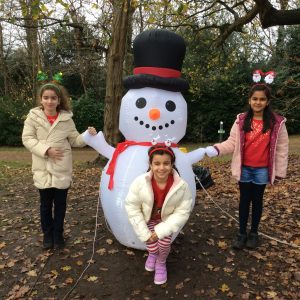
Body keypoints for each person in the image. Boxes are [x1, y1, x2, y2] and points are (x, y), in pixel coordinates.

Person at [206, 83, 289, 250]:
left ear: (268, 101)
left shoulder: (277, 123)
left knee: (257, 201)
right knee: (244, 200)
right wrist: (216, 149)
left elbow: (282, 148)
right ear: (249, 100)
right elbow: (232, 142)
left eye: (262, 99)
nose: (258, 102)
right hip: (244, 168)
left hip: (262, 170)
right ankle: (241, 233)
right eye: (255, 99)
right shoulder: (241, 120)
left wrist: (279, 171)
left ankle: (254, 234)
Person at [22, 80, 97, 250]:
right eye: (46, 98)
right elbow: (27, 139)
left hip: (61, 168)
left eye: (53, 98)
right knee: (45, 205)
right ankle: (48, 236)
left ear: (59, 100)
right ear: (41, 100)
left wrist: (87, 134)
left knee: (61, 205)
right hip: (42, 168)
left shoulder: (66, 119)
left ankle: (58, 235)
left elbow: (75, 140)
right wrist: (46, 150)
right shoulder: (33, 117)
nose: (49, 101)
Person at [125, 145, 193, 285]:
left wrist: (160, 231)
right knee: (152, 244)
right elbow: (132, 206)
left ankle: (161, 262)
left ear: (172, 164)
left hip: (167, 220)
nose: (161, 168)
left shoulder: (182, 186)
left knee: (163, 243)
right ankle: (153, 254)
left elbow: (183, 211)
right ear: (150, 164)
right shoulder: (140, 183)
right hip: (148, 219)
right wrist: (144, 231)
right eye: (157, 163)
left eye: (166, 163)